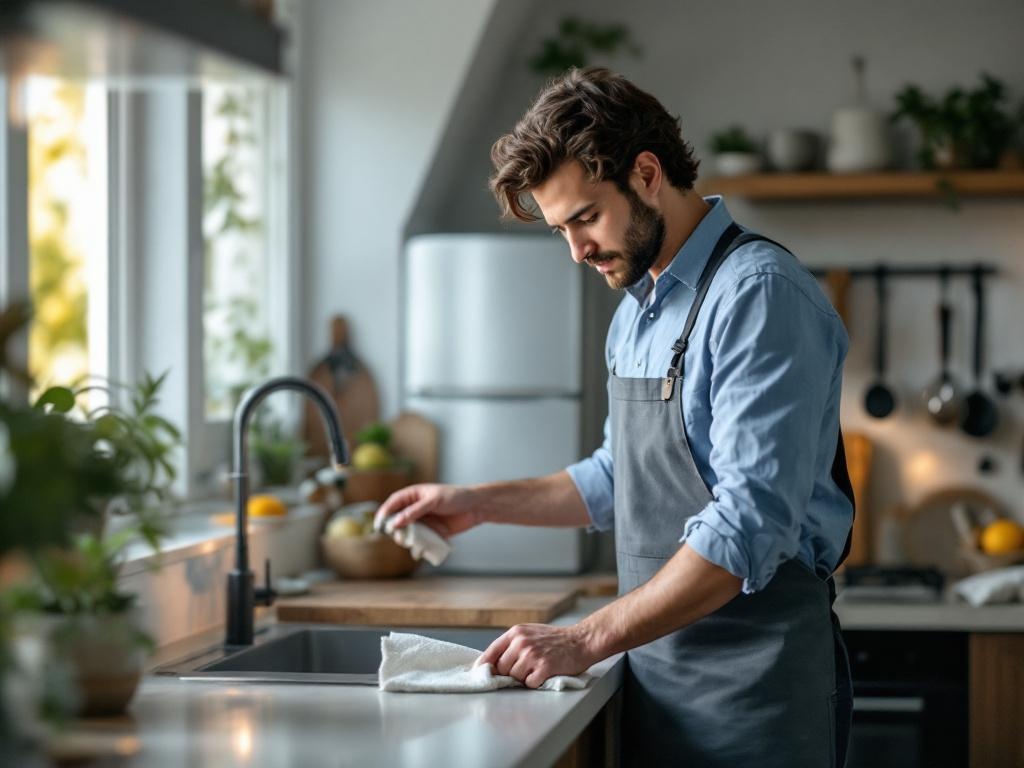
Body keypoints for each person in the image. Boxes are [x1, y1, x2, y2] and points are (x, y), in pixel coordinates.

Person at [376, 67, 855, 767]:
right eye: (560, 229)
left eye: (586, 218)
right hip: (655, 681)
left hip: (756, 694)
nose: (576, 251)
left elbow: (750, 523)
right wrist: (476, 504)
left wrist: (583, 639)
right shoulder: (638, 311)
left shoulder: (759, 297)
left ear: (648, 173)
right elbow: (613, 479)